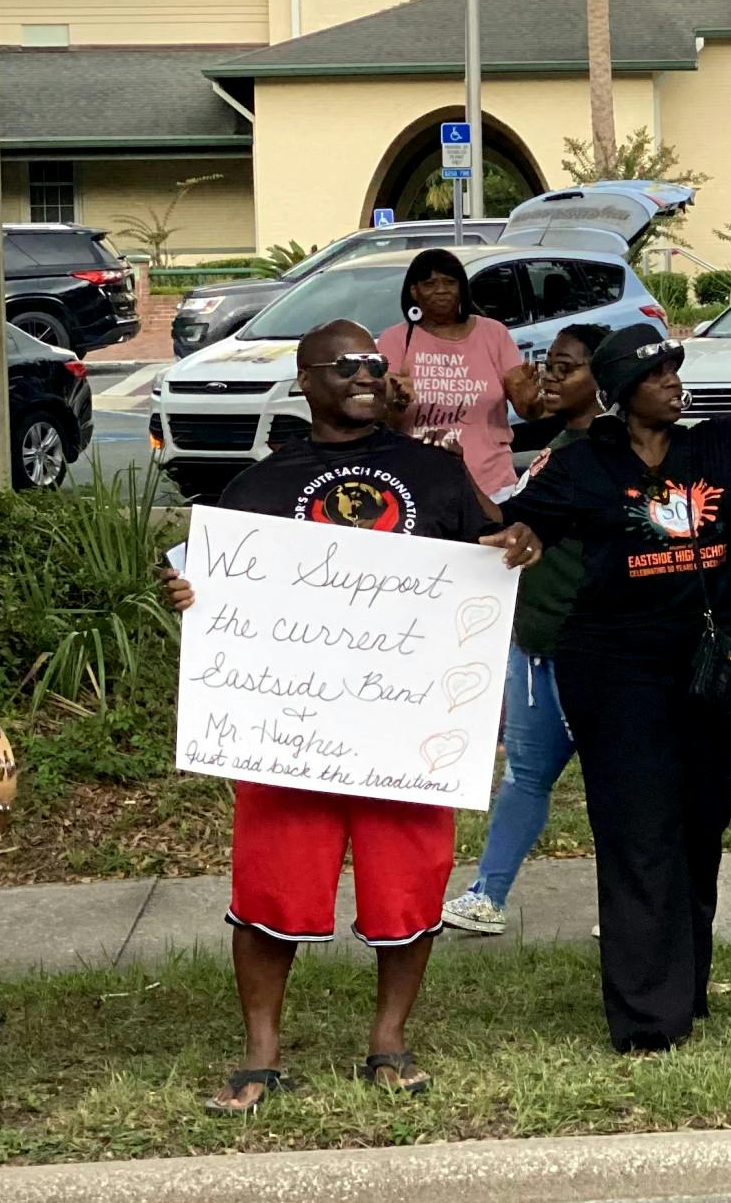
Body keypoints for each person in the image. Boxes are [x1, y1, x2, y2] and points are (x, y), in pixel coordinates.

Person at [161, 318, 541, 1112]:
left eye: (375, 361)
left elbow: (488, 550)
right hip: (292, 732)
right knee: (271, 887)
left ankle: (388, 1041)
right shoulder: (261, 484)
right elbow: (221, 590)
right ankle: (261, 1052)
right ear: (305, 380)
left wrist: (516, 545)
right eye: (346, 365)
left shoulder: (432, 474)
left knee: (408, 889)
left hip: (405, 729)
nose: (368, 374)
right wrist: (193, 595)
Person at [509, 284, 731, 1051]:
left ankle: (687, 977)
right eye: (656, 376)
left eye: (675, 370)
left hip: (709, 662)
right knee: (637, 826)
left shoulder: (712, 445)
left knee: (699, 820)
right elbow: (520, 520)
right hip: (614, 665)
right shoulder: (586, 464)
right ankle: (649, 1014)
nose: (673, 383)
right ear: (619, 395)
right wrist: (518, 536)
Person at [441, 322, 610, 935]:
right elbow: (510, 519)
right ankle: (487, 895)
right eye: (548, 365)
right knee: (527, 777)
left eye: (567, 367)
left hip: (592, 651)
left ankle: (629, 904)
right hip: (536, 647)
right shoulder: (559, 445)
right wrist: (458, 473)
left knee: (617, 782)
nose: (550, 377)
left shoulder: (609, 455)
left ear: (604, 378)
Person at [378, 248, 542, 505]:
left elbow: (527, 410)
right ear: (414, 292)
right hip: (418, 487)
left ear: (462, 288)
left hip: (493, 486)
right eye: (430, 283)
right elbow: (384, 417)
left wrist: (533, 401)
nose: (441, 290)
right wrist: (396, 400)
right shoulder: (396, 339)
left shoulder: (493, 333)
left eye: (449, 282)